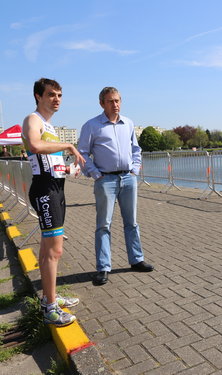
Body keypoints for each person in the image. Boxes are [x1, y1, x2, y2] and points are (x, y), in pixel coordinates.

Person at [22, 78, 85, 326]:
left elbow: (51, 161)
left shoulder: (49, 125)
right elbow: (35, 146)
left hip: (56, 186)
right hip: (44, 189)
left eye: (59, 95)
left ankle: (51, 296)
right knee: (55, 249)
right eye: (51, 95)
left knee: (49, 247)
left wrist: (67, 170)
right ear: (38, 96)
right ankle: (49, 308)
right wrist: (69, 144)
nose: (56, 99)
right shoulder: (33, 119)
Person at [78, 87, 154, 286]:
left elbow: (136, 149)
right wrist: (95, 174)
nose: (115, 105)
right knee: (104, 225)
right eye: (111, 101)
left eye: (118, 100)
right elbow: (82, 153)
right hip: (106, 181)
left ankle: (136, 260)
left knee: (132, 222)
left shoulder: (128, 123)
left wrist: (134, 169)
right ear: (102, 103)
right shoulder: (92, 126)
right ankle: (103, 267)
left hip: (128, 179)